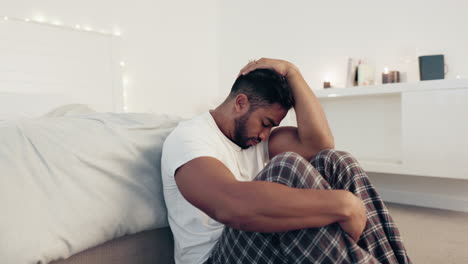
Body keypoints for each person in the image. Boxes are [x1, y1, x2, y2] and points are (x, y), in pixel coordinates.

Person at [161, 58, 412, 264]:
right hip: (214, 257)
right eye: (266, 123)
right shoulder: (190, 137)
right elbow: (230, 206)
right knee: (286, 167)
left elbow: (321, 146)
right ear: (240, 103)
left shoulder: (258, 141)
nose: (264, 136)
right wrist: (344, 204)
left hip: (258, 246)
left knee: (337, 161)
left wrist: (293, 72)